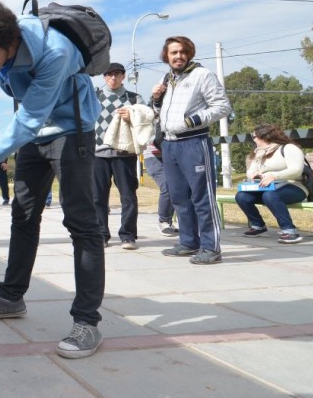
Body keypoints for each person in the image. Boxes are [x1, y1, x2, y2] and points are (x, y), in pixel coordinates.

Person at [0, 0, 105, 359]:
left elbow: (26, 121)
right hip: (34, 137)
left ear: (11, 41)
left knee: (81, 223)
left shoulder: (56, 51)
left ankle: (87, 321)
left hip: (71, 131)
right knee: (23, 216)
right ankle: (11, 297)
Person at [151, 36, 231, 265]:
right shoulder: (167, 78)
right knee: (178, 197)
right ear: (166, 56)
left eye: (183, 52)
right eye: (173, 52)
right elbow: (160, 112)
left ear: (190, 53)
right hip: (169, 144)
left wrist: (192, 120)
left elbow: (223, 106)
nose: (178, 56)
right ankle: (188, 242)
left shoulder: (202, 75)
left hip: (194, 143)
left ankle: (210, 247)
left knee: (202, 197)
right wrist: (156, 100)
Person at [94, 62, 143, 250]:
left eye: (117, 74)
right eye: (109, 74)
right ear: (104, 77)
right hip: (98, 153)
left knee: (128, 196)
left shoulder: (134, 98)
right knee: (98, 197)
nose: (113, 78)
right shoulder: (94, 97)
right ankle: (101, 234)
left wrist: (133, 117)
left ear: (123, 76)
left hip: (125, 153)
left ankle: (128, 235)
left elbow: (148, 119)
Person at [236, 124, 308, 244]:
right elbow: (250, 171)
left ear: (264, 136)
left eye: (254, 136)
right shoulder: (259, 153)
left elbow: (296, 170)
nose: (253, 139)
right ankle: (258, 226)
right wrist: (254, 175)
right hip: (268, 187)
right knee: (242, 196)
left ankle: (290, 231)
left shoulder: (289, 148)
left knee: (270, 195)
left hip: (295, 186)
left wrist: (274, 176)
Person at [143, 142, 178, 235]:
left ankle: (169, 222)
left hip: (171, 153)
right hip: (153, 156)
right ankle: (163, 221)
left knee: (176, 186)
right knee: (166, 185)